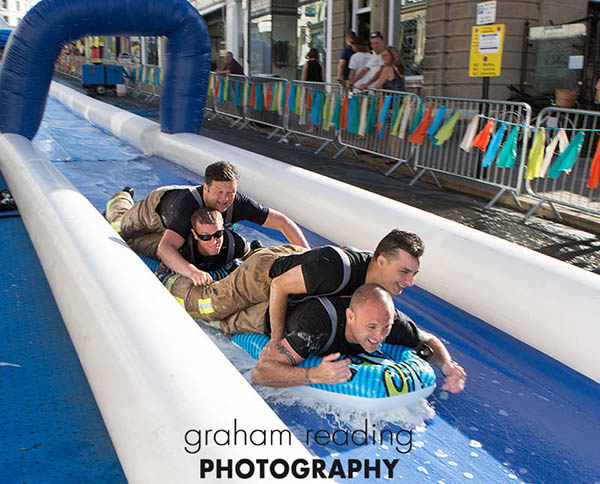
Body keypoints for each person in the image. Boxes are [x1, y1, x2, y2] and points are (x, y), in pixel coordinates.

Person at [174, 229, 424, 344]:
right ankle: (173, 279)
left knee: (232, 321)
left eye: (414, 274)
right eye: (404, 272)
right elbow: (280, 286)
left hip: (303, 275)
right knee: (207, 307)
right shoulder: (337, 269)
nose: (410, 282)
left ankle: (237, 264)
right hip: (265, 275)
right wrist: (277, 340)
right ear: (381, 261)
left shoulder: (377, 283)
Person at [105, 161, 309, 285]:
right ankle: (122, 197)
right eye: (219, 192)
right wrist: (193, 272)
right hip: (157, 210)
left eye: (230, 192)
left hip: (177, 229)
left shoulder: (238, 203)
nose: (225, 199)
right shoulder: (187, 206)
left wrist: (306, 255)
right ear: (206, 188)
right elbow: (165, 249)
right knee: (120, 227)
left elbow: (283, 222)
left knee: (140, 245)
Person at [250, 283, 466, 393]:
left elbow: (428, 340)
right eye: (371, 327)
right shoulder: (316, 329)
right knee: (220, 312)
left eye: (385, 328)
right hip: (264, 310)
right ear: (350, 316)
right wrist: (313, 374)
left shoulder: (389, 320)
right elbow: (260, 373)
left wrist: (447, 365)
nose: (379, 337)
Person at [155, 207, 248, 289]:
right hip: (160, 226)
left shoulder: (235, 244)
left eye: (218, 234)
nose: (214, 242)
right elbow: (160, 276)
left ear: (223, 229)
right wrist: (192, 273)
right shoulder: (184, 249)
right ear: (195, 234)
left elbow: (252, 254)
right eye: (205, 237)